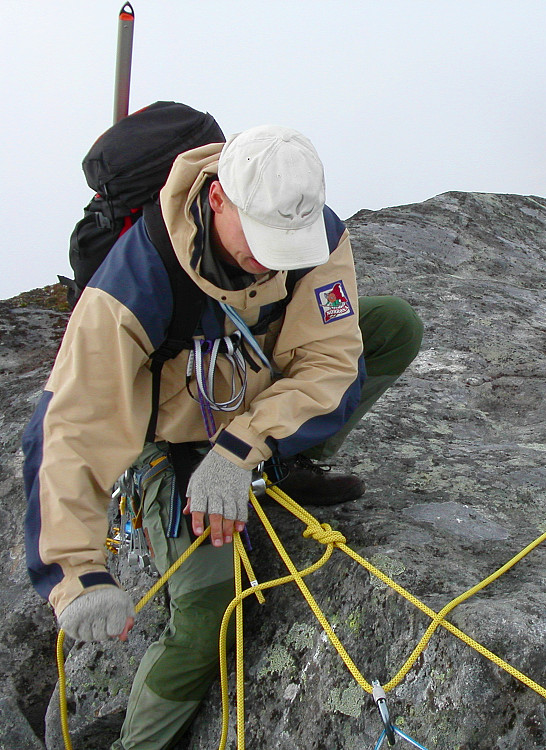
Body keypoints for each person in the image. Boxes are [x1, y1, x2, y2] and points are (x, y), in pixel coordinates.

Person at [22, 125, 423, 749]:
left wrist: (243, 448)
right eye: (262, 240)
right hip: (171, 437)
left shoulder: (315, 233)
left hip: (250, 399)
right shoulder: (136, 279)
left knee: (390, 326)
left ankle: (283, 462)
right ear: (216, 199)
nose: (274, 258)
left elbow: (331, 360)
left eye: (289, 244)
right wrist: (77, 573)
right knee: (209, 607)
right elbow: (71, 422)